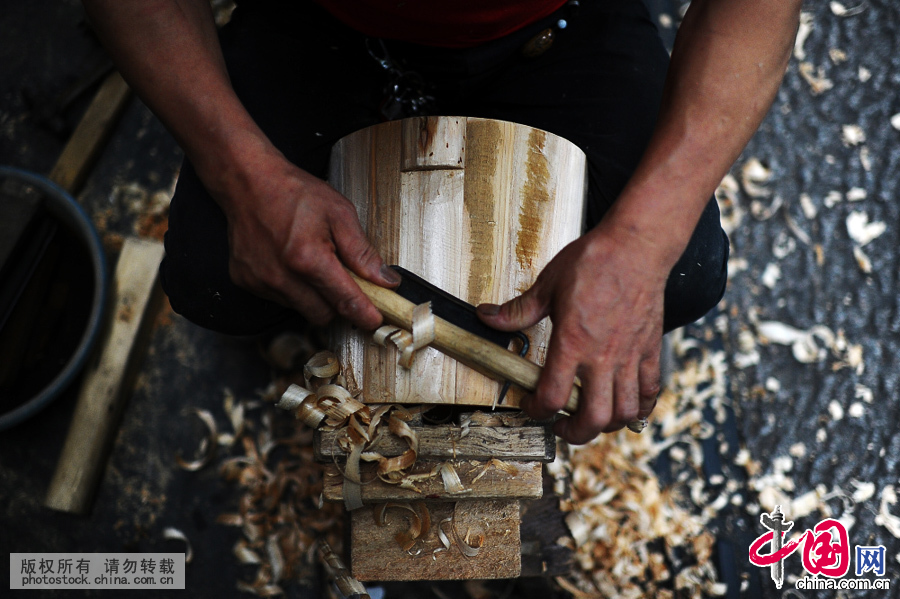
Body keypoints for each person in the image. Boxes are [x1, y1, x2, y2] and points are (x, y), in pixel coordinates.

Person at [81, 0, 801, 444]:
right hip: (319, 19)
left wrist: (643, 242)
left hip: (563, 23)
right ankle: (319, 337)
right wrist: (243, 177)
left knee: (687, 270)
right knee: (213, 275)